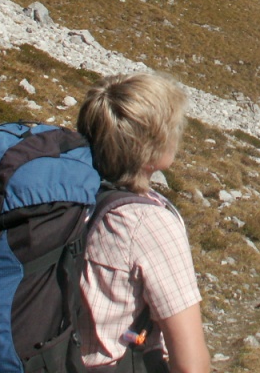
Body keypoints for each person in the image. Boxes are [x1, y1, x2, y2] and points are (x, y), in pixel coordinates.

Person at [77, 72, 210, 373]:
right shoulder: (148, 224)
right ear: (149, 147)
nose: (178, 132)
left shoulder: (70, 198)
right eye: (172, 127)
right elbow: (190, 365)